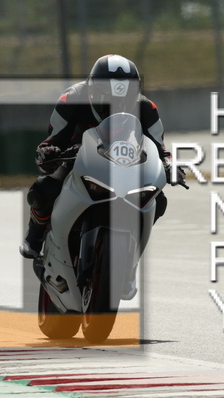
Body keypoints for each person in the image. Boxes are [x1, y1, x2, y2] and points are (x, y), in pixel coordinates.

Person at [19, 54, 184, 259]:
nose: (115, 103)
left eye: (124, 98)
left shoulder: (146, 108)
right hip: (77, 160)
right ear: (91, 89)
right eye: (108, 96)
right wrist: (49, 152)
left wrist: (169, 165)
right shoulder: (71, 99)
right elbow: (53, 139)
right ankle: (34, 236)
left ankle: (132, 246)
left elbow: (159, 149)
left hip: (126, 164)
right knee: (44, 189)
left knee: (158, 200)